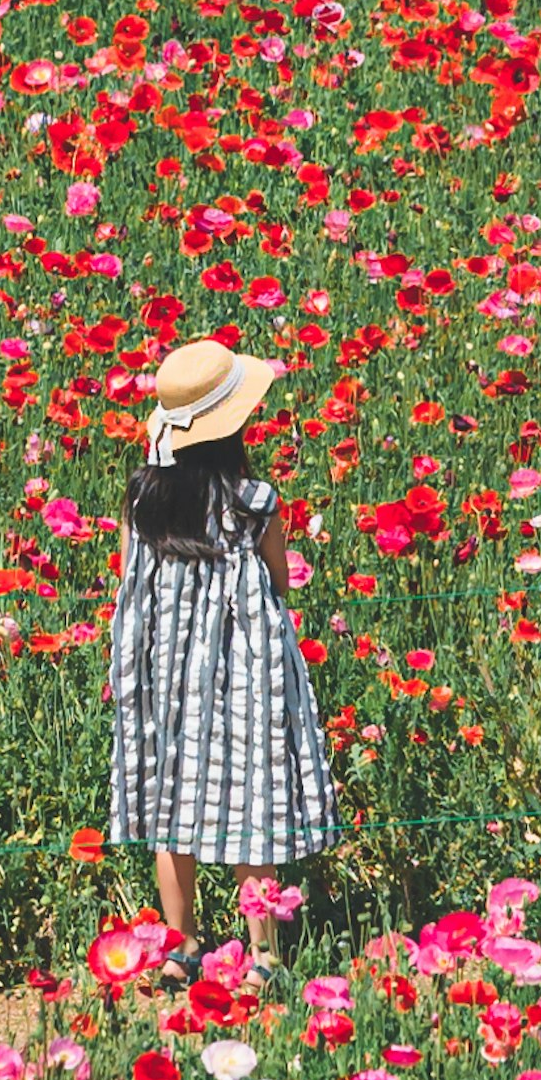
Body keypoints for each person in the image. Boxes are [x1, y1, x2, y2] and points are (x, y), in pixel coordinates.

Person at [109, 332, 333, 982]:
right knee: (248, 803)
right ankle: (262, 955)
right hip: (244, 672)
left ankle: (179, 947)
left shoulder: (143, 502)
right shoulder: (253, 502)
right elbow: (281, 580)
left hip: (164, 669)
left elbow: (133, 583)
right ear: (232, 428)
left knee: (172, 806)